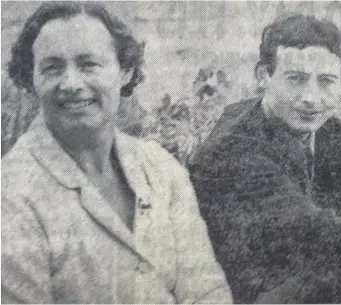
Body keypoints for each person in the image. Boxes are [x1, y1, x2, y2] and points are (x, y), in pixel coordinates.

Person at [1, 2, 231, 303]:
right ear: (31, 78)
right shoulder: (12, 194)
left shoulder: (160, 168)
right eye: (52, 67)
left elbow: (205, 290)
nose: (71, 83)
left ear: (125, 71)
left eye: (88, 64)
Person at [188, 14, 341, 303]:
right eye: (296, 79)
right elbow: (316, 234)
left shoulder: (318, 126)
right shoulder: (232, 149)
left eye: (326, 82)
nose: (311, 97)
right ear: (264, 76)